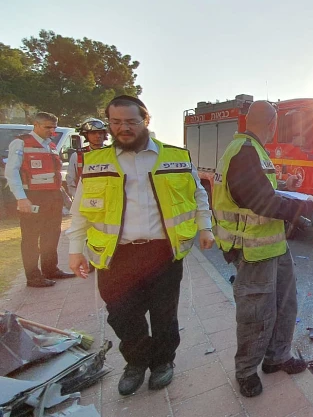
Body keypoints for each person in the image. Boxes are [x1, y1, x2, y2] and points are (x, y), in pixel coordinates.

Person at [67, 95, 215, 396]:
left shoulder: (175, 156)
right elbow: (81, 208)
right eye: (116, 122)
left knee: (164, 315)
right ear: (110, 124)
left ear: (146, 121)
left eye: (131, 121)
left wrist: (206, 227)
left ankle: (163, 363)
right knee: (122, 315)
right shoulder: (95, 162)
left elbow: (198, 195)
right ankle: (136, 362)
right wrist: (74, 250)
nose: (123, 128)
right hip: (115, 255)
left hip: (162, 252)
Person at [211, 100, 313, 398]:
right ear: (272, 124)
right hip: (252, 249)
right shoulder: (245, 152)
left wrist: (286, 183)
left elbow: (260, 190)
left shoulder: (250, 150)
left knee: (286, 303)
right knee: (256, 314)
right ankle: (246, 371)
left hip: (273, 245)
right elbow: (263, 203)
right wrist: (305, 206)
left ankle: (277, 357)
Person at [4, 112, 75, 287]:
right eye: (48, 127)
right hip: (32, 196)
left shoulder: (50, 145)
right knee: (30, 237)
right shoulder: (20, 143)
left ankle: (50, 269)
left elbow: (54, 174)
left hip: (52, 196)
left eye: (54, 128)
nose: (52, 131)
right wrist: (21, 199)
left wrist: (63, 197)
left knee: (52, 234)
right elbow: (11, 172)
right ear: (36, 125)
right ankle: (33, 276)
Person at [66, 118, 108, 197]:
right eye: (93, 133)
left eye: (100, 133)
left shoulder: (113, 153)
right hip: (85, 199)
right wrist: (77, 197)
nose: (98, 136)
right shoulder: (77, 155)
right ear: (86, 135)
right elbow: (70, 179)